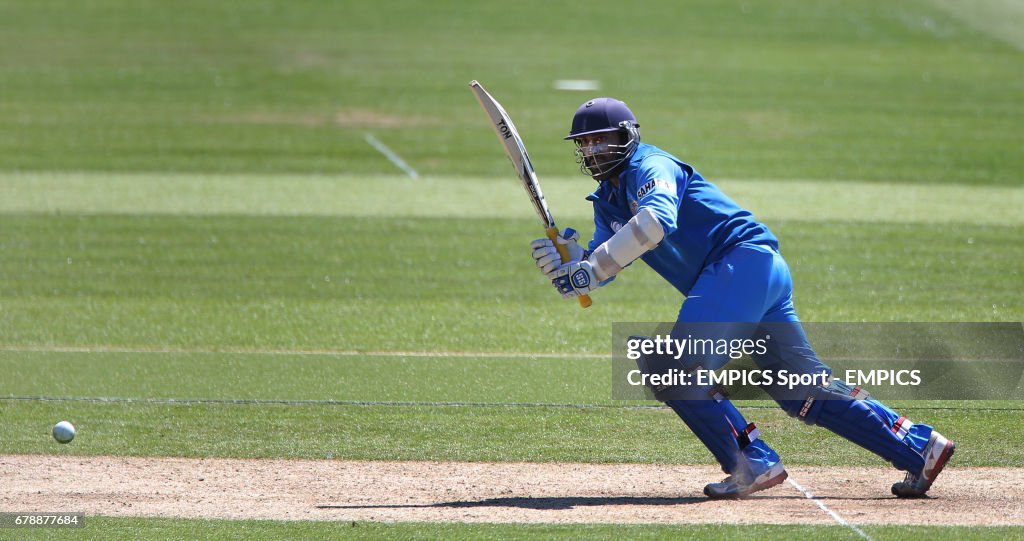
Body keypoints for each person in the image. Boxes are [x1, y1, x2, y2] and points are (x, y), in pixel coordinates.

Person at [530, 97, 956, 499]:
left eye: (601, 139)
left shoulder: (651, 166)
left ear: (627, 136)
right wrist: (572, 265)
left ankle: (751, 461)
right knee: (800, 390)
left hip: (740, 265)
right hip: (754, 273)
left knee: (673, 366)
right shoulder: (607, 200)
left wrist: (591, 268)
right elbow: (605, 263)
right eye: (585, 143)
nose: (592, 150)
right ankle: (919, 447)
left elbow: (654, 222)